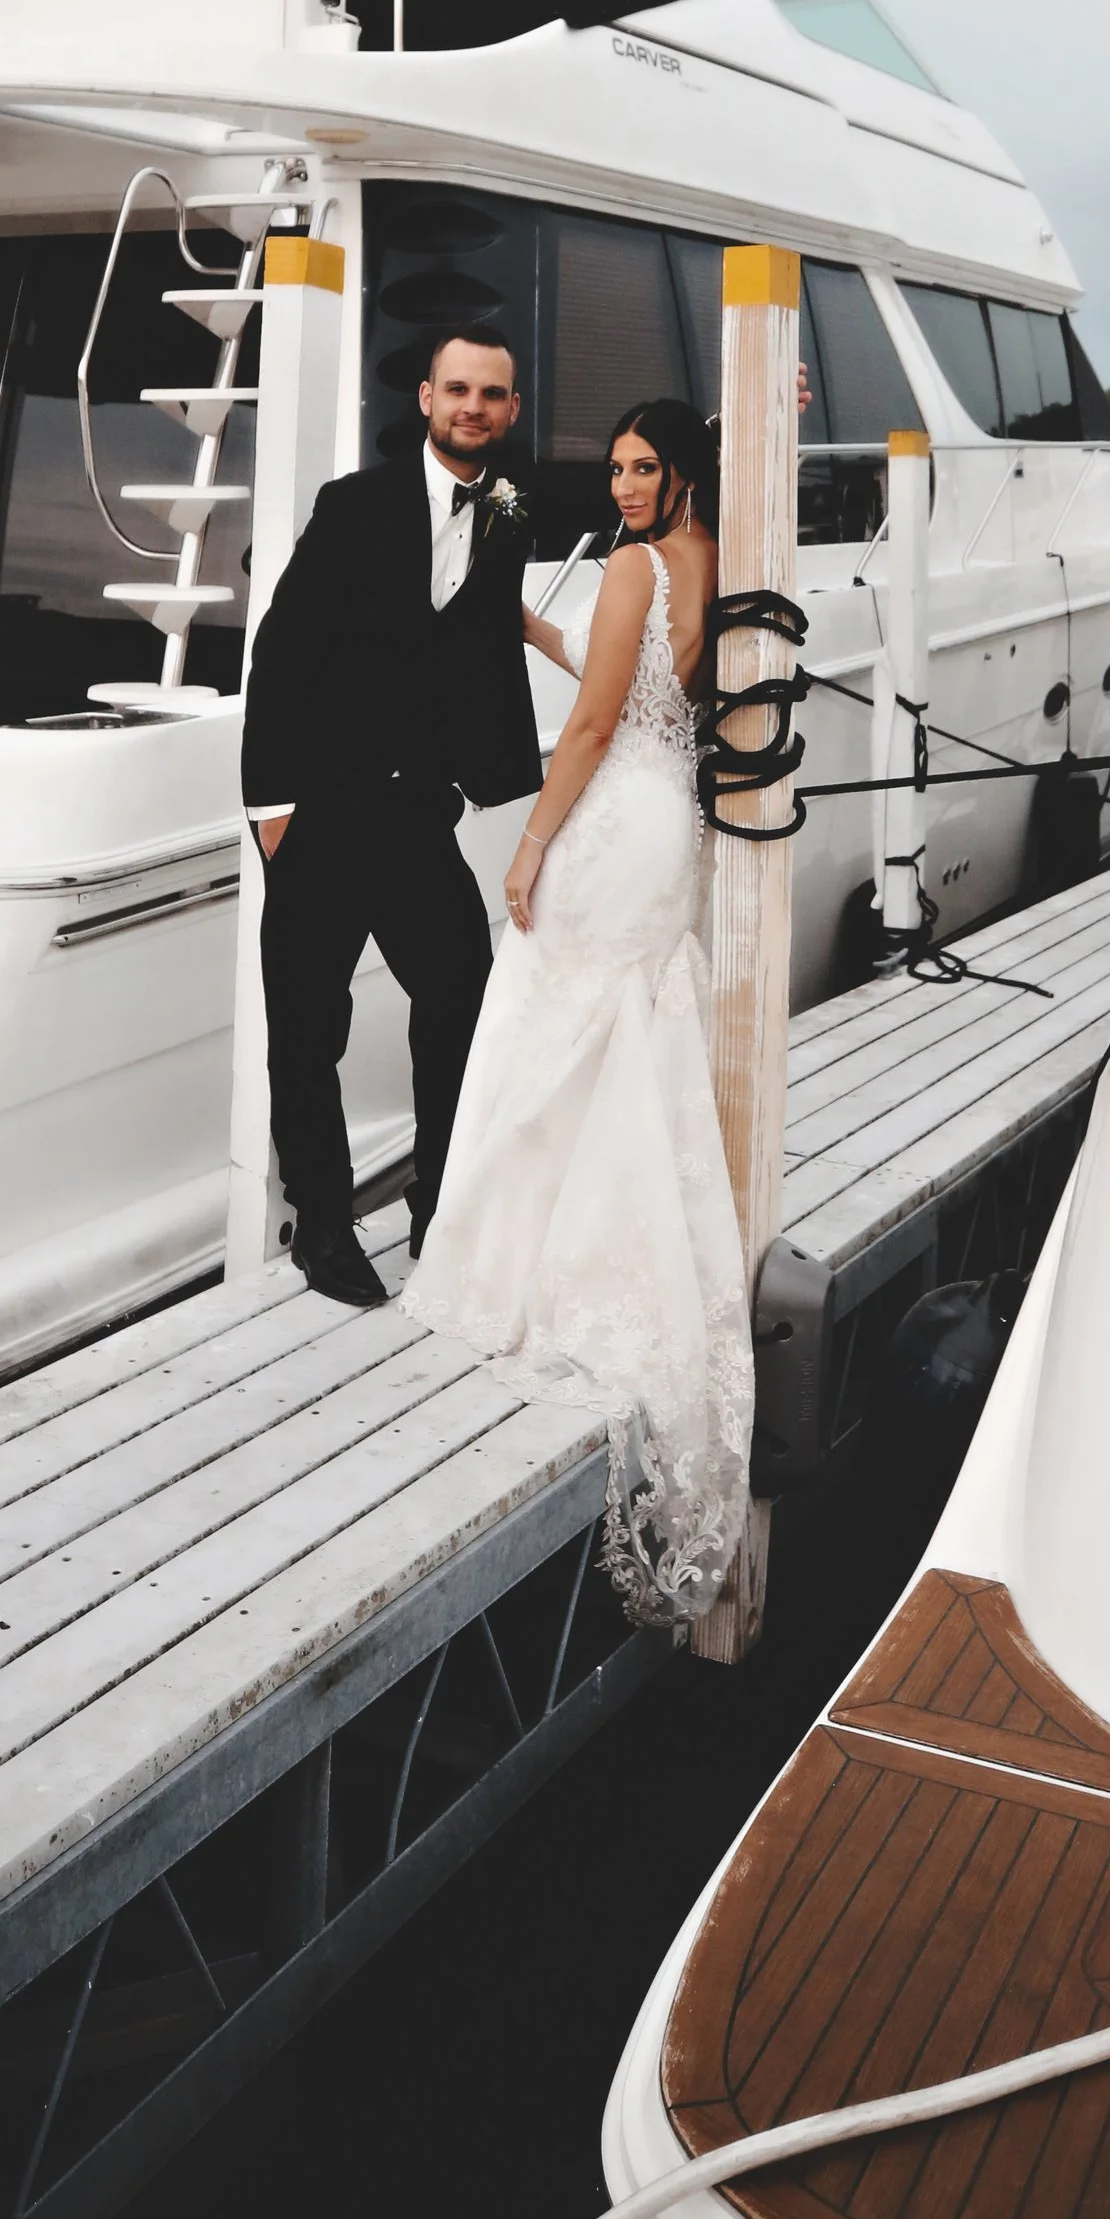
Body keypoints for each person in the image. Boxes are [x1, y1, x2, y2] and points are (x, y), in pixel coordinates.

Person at [403, 398, 752, 1626]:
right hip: (677, 827)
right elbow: (648, 687)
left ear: (682, 473)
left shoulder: (633, 565)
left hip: (611, 818)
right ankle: (613, 1244)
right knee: (621, 1033)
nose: (624, 485)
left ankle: (521, 1266)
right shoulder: (716, 560)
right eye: (614, 469)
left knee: (545, 1018)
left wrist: (533, 845)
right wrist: (540, 630)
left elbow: (598, 725)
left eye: (645, 467)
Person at [240, 330, 541, 1310]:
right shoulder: (353, 505)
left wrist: (483, 777)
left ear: (510, 409)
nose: (472, 407)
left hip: (419, 815)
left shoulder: (510, 509)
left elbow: (485, 643)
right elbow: (281, 654)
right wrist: (273, 810)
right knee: (308, 1030)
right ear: (424, 397)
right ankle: (321, 1228)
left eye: (490, 394)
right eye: (457, 389)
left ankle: (438, 1202)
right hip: (323, 812)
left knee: (461, 999)